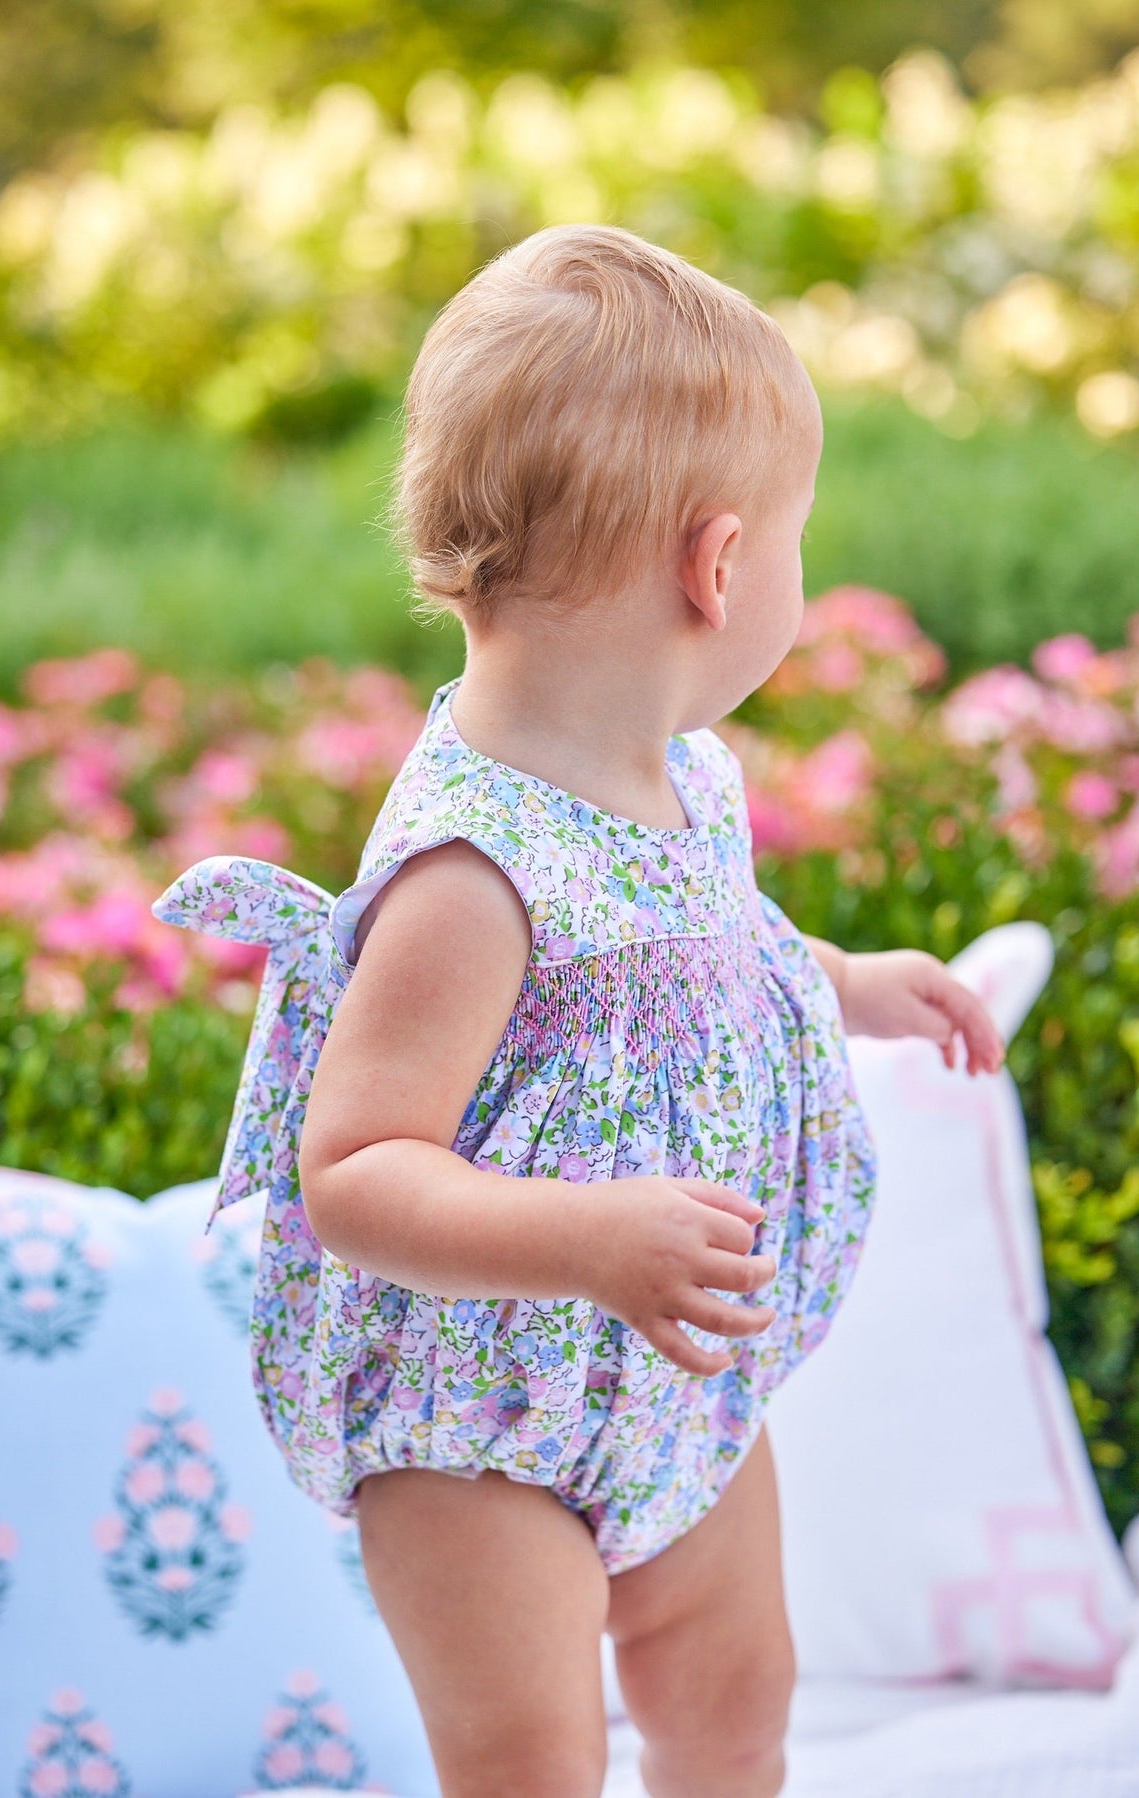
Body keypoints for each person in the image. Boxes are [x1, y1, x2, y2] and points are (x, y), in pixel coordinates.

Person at [153, 223, 1005, 1798]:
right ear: (720, 562)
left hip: (673, 1387)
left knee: (737, 1707)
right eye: (798, 540)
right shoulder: (468, 877)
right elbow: (352, 1172)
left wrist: (851, 986)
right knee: (532, 1763)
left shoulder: (680, 782)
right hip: (475, 1424)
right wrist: (589, 1239)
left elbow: (707, 952)